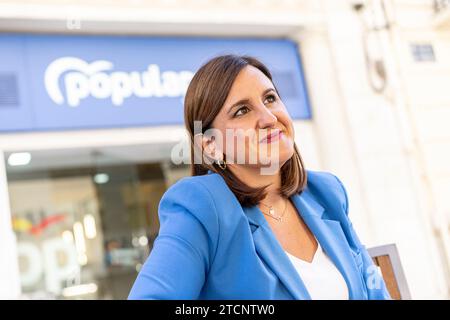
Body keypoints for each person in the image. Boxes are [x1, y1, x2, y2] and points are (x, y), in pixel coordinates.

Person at [128, 54, 391, 300]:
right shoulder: (201, 206)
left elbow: (374, 290)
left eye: (270, 99)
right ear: (210, 145)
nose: (268, 118)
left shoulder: (326, 192)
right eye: (242, 111)